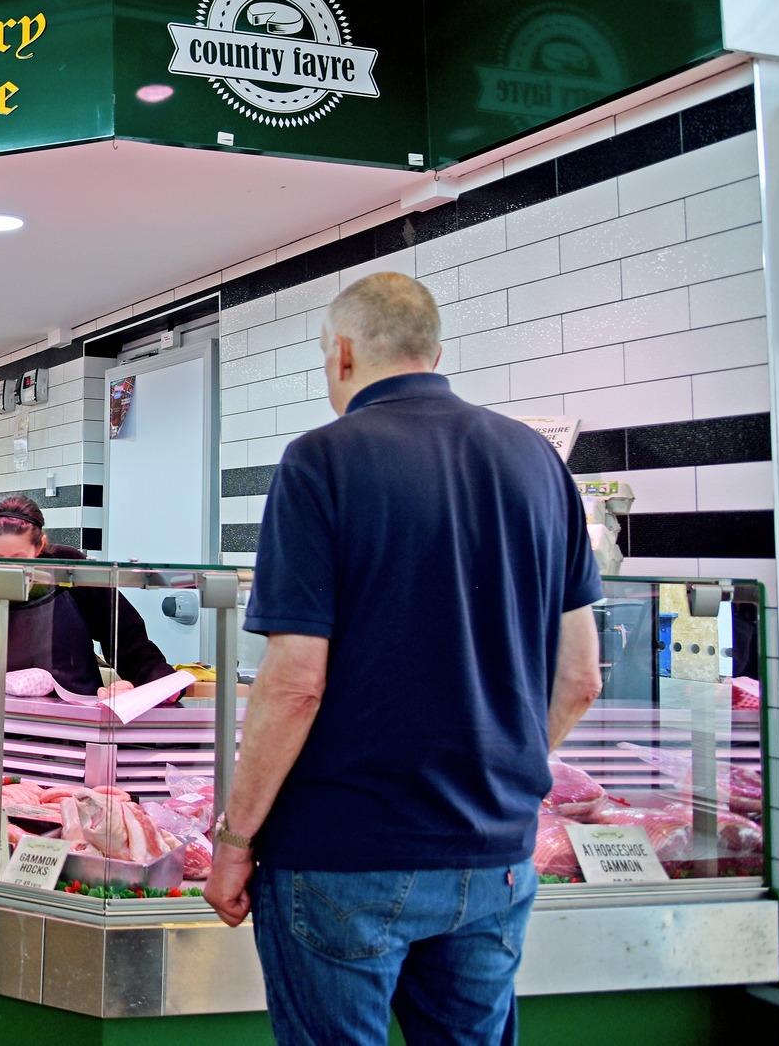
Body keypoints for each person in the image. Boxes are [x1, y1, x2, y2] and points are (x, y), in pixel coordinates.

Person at [204, 272, 604, 1045]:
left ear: (343, 353)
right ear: (436, 351)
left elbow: (293, 684)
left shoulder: (319, 460)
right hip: (494, 855)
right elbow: (581, 676)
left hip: (343, 851)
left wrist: (234, 840)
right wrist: (500, 771)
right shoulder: (538, 461)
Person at [0, 493, 175, 764]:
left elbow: (127, 641)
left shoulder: (69, 571)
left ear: (40, 546)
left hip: (83, 733)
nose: (6, 570)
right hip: (5, 732)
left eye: (17, 559)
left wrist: (159, 682)